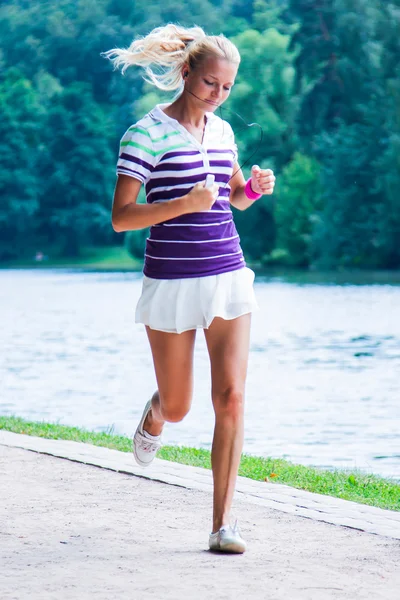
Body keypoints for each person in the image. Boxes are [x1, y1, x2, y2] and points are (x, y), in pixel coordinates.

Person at [102, 24, 275, 554]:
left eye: (226, 88)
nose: (217, 96)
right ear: (185, 74)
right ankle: (157, 412)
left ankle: (223, 524)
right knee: (180, 406)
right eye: (208, 84)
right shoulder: (145, 134)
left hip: (227, 273)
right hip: (173, 282)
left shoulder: (222, 133)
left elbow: (231, 197)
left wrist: (253, 189)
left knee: (232, 398)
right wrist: (183, 204)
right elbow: (121, 218)